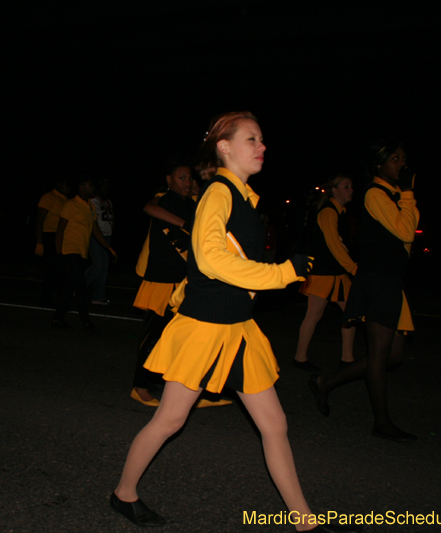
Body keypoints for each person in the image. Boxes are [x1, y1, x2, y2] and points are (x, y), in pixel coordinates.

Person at [111, 112, 360, 533]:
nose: (262, 146)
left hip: (238, 328)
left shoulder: (242, 198)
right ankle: (123, 495)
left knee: (274, 425)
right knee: (169, 421)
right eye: (252, 139)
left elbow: (236, 257)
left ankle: (306, 524)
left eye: (262, 139)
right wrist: (282, 272)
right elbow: (211, 260)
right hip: (206, 327)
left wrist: (280, 267)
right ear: (224, 148)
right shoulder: (218, 194)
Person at [308, 140, 419, 443]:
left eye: (403, 158)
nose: (401, 164)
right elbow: (406, 231)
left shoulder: (395, 195)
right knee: (380, 355)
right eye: (395, 159)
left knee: (393, 355)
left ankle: (325, 381)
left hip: (391, 280)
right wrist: (408, 195)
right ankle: (381, 422)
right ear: (379, 166)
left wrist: (406, 197)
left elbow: (406, 236)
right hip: (378, 280)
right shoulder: (375, 193)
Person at [130, 162, 231, 408]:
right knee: (153, 337)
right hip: (164, 280)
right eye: (182, 177)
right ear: (169, 179)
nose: (187, 182)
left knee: (191, 338)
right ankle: (140, 386)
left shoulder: (192, 203)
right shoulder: (165, 199)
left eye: (190, 178)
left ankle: (193, 389)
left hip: (185, 281)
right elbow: (156, 216)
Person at [294, 174, 357, 372]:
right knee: (314, 315)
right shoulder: (328, 212)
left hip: (336, 272)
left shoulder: (340, 212)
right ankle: (300, 358)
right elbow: (335, 245)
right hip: (324, 272)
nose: (351, 190)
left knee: (350, 314)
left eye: (351, 186)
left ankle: (347, 358)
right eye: (346, 186)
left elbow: (340, 245)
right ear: (334, 190)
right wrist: (354, 269)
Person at [51, 176, 116, 332]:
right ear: (81, 187)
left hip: (82, 252)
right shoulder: (70, 205)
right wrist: (59, 253)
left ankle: (57, 319)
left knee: (68, 287)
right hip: (69, 250)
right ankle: (86, 322)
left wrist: (109, 248)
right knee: (80, 286)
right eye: (89, 185)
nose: (92, 188)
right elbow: (60, 231)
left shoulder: (90, 207)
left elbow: (96, 231)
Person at [35, 178, 70, 307]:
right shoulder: (48, 197)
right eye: (66, 185)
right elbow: (39, 221)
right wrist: (39, 242)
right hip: (49, 235)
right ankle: (45, 299)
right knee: (51, 269)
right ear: (59, 184)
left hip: (61, 236)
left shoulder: (65, 199)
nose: (68, 188)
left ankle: (59, 299)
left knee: (60, 269)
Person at [85, 178, 115, 305]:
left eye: (107, 188)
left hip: (107, 236)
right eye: (103, 187)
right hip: (96, 237)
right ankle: (78, 287)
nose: (105, 190)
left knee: (104, 269)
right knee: (97, 266)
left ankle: (98, 297)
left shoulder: (108, 202)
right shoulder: (92, 201)